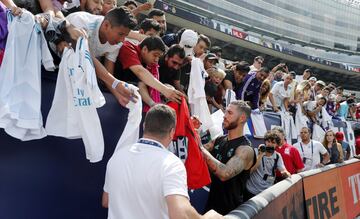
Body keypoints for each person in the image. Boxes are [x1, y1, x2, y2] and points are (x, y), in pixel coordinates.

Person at [102, 104, 223, 219]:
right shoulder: (171, 163)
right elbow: (180, 214)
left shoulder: (117, 157)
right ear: (172, 132)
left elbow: (106, 201)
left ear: (144, 126)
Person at [66, 7, 139, 106]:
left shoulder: (117, 43)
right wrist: (116, 83)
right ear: (106, 25)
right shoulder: (81, 23)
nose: (122, 40)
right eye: (121, 34)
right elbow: (87, 58)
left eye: (125, 35)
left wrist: (118, 96)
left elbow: (108, 72)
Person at [201, 100, 256, 215]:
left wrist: (200, 147)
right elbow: (199, 150)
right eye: (225, 112)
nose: (224, 116)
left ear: (242, 118)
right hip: (210, 208)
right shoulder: (219, 139)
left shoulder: (246, 150)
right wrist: (195, 131)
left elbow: (224, 173)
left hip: (231, 212)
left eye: (229, 113)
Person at [117, 35, 184, 105]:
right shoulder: (128, 48)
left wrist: (152, 104)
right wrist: (165, 90)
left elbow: (141, 84)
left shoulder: (147, 62)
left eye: (159, 57)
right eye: (155, 55)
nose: (156, 60)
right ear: (145, 49)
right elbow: (140, 72)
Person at [244, 131, 291, 200]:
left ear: (277, 145)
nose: (270, 144)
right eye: (268, 141)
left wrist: (286, 174)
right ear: (265, 142)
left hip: (267, 192)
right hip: (252, 191)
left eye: (273, 142)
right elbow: (250, 171)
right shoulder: (256, 152)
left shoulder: (277, 156)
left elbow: (283, 170)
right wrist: (260, 155)